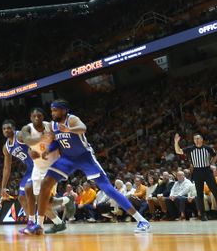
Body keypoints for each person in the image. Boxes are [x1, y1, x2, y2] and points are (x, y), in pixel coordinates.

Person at [30, 99, 150, 234]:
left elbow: (83, 128)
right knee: (45, 183)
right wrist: (48, 150)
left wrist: (69, 129)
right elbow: (57, 142)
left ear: (63, 110)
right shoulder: (53, 126)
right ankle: (38, 224)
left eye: (55, 110)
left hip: (85, 158)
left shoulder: (72, 119)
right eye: (51, 110)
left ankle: (141, 220)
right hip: (67, 159)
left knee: (108, 189)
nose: (52, 113)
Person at [18, 107, 68, 233]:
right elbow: (28, 140)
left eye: (39, 116)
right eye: (34, 116)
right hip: (38, 166)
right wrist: (40, 141)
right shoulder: (26, 128)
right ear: (30, 117)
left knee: (41, 199)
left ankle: (37, 225)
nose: (36, 118)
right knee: (38, 197)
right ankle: (61, 209)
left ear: (43, 117)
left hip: (52, 167)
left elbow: (58, 142)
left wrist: (48, 146)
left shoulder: (50, 126)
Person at [174, 133, 217, 221]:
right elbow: (178, 151)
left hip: (207, 171)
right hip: (197, 172)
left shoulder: (208, 148)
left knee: (216, 192)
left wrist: (211, 163)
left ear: (202, 139)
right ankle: (203, 215)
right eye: (195, 139)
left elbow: (215, 156)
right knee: (199, 195)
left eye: (198, 138)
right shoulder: (191, 149)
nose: (197, 140)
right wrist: (176, 142)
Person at [0, 120, 34, 231]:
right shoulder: (6, 148)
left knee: (34, 195)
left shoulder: (20, 136)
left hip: (39, 164)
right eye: (4, 129)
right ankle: (31, 224)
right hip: (30, 169)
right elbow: (6, 168)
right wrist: (3, 187)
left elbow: (34, 143)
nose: (6, 130)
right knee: (21, 197)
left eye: (8, 128)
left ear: (13, 128)